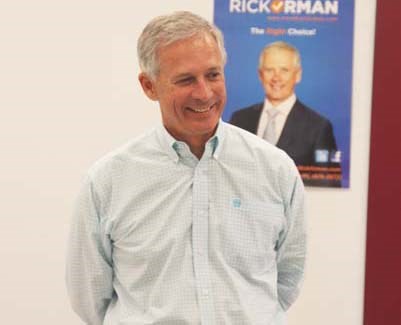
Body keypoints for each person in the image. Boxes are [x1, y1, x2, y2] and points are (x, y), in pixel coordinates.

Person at [66, 12, 306, 325]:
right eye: (185, 79)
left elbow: (287, 280)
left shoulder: (275, 170)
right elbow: (89, 297)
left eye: (213, 75)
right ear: (149, 85)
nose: (204, 93)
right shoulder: (108, 181)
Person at [229, 41, 342, 187]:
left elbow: (328, 185)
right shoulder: (239, 119)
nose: (276, 78)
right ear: (260, 75)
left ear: (298, 75)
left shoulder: (319, 127)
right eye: (270, 70)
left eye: (284, 70)